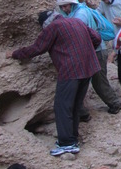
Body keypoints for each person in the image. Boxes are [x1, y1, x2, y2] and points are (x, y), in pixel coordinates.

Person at [6, 11, 101, 156]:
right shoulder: (76, 21)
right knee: (75, 105)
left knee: (62, 106)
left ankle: (66, 143)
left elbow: (37, 48)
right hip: (88, 67)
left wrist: (15, 53)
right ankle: (72, 139)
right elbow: (97, 38)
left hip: (70, 70)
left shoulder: (53, 27)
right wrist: (84, 49)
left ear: (44, 24)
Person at [56, 0, 121, 116]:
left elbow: (75, 33)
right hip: (90, 51)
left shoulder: (80, 14)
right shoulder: (75, 13)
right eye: (62, 6)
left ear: (71, 4)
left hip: (96, 51)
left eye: (66, 6)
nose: (64, 9)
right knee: (84, 81)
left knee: (98, 81)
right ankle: (82, 110)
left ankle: (114, 104)